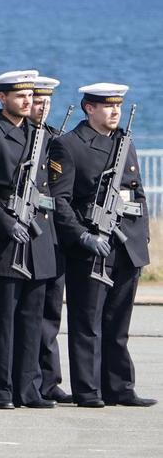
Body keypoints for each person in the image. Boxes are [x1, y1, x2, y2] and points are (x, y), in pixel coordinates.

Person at [48, 83, 155, 408]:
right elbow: (61, 201)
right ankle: (89, 389)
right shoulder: (69, 145)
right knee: (87, 322)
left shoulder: (124, 142)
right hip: (92, 245)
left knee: (118, 323)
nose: (114, 112)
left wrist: (142, 234)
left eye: (117, 106)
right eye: (106, 106)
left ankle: (120, 387)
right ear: (88, 108)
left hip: (127, 245)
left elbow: (136, 192)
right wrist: (82, 235)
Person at [0, 70, 59, 410]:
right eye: (19, 95)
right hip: (5, 240)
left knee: (33, 318)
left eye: (29, 95)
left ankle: (28, 388)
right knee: (3, 319)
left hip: (37, 237)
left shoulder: (42, 137)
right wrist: (7, 224)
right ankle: (2, 389)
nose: (27, 100)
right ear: (1, 98)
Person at [29, 75, 74, 403]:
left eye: (46, 102)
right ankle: (28, 378)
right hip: (29, 234)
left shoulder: (56, 139)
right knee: (29, 312)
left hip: (54, 236)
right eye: (36, 101)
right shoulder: (23, 138)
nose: (42, 107)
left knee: (50, 313)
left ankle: (49, 379)